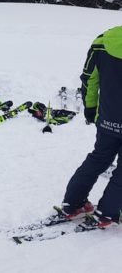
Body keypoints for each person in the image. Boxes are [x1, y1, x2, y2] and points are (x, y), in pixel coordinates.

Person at [52, 26, 122, 231]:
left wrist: (90, 109)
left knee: (98, 158)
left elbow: (89, 79)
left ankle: (73, 203)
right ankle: (110, 211)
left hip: (108, 119)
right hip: (108, 118)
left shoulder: (103, 40)